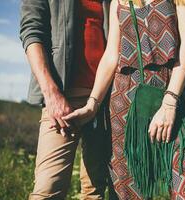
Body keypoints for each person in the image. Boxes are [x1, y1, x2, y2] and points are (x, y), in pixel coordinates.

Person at [63, 0, 185, 199]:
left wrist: (169, 102)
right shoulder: (118, 1)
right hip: (124, 101)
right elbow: (111, 56)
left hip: (171, 95)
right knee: (128, 191)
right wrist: (92, 104)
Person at [19, 0, 113, 199]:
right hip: (63, 100)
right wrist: (51, 94)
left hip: (105, 99)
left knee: (94, 192)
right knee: (47, 191)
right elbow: (31, 32)